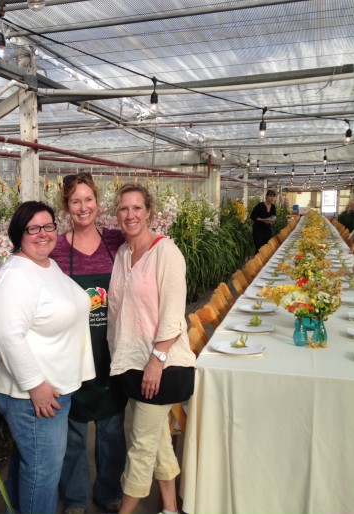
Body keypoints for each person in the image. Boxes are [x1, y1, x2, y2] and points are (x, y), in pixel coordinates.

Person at [0, 201, 95, 514]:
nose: (43, 234)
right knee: (42, 473)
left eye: (48, 226)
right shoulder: (16, 276)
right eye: (33, 228)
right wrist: (36, 385)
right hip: (32, 395)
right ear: (19, 233)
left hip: (53, 387)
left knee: (29, 463)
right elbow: (7, 335)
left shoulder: (45, 264)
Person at [107, 184, 196, 514]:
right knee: (157, 441)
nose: (130, 215)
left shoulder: (165, 252)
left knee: (141, 445)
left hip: (162, 366)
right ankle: (170, 509)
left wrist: (156, 361)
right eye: (123, 209)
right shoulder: (122, 255)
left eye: (137, 208)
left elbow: (173, 314)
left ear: (149, 212)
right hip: (131, 364)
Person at [51, 173, 127, 514]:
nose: (83, 207)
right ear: (66, 207)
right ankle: (76, 498)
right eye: (75, 201)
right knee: (74, 432)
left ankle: (109, 490)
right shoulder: (54, 246)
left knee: (112, 429)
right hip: (72, 350)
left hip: (110, 348)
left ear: (98, 202)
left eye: (88, 199)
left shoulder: (116, 240)